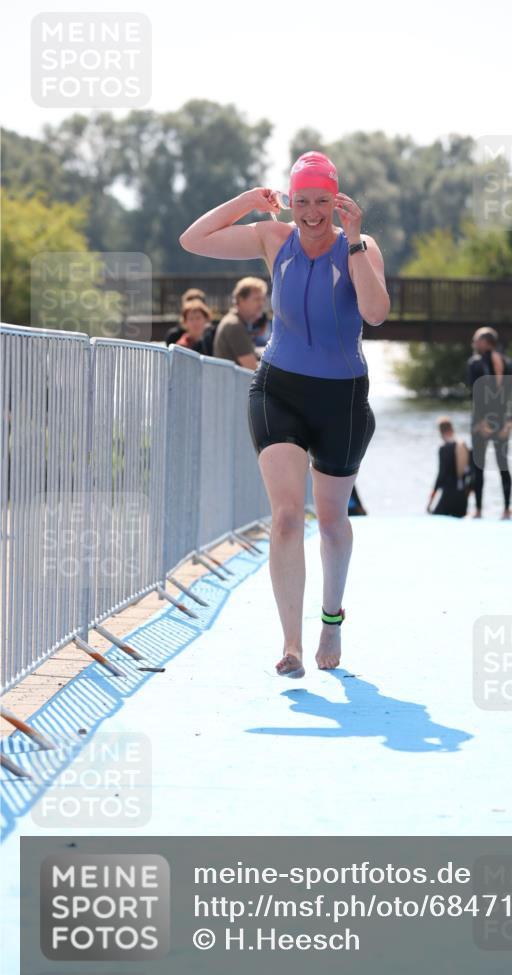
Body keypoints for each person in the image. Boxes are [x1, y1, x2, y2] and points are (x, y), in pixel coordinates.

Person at [180, 150, 390, 678]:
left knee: (334, 520)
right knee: (287, 516)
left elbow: (376, 312)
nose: (312, 212)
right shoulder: (273, 238)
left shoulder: (357, 248)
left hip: (342, 397)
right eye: (302, 201)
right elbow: (194, 240)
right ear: (291, 201)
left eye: (323, 201)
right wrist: (248, 203)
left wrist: (358, 238)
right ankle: (291, 643)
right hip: (280, 388)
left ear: (337, 201)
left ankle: (331, 618)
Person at [466, 326, 512, 519]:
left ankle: (501, 509)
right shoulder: (479, 364)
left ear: (486, 342)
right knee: (485, 466)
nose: (474, 344)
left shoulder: (502, 364)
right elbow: (476, 394)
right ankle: (485, 509)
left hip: (495, 423)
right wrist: (485, 422)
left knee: (498, 465)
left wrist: (507, 422)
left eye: (476, 340)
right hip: (489, 422)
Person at [212, 277, 268, 369]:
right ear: (241, 300)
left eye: (263, 299)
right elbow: (253, 369)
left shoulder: (235, 322)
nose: (261, 304)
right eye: (257, 299)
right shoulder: (235, 326)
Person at [427, 418, 471, 518]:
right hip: (462, 498)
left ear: (441, 432)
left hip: (448, 496)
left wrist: (430, 501)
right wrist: (467, 493)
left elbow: (441, 476)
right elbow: (471, 473)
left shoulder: (443, 448)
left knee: (434, 517)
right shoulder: (463, 445)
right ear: (452, 429)